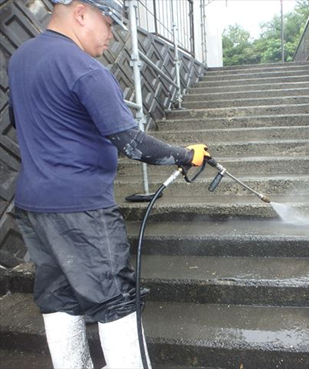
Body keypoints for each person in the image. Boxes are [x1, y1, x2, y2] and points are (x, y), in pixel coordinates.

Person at [7, 0, 209, 368]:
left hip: (33, 206)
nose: (113, 35)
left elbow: (23, 123)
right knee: (115, 300)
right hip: (80, 208)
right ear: (81, 13)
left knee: (58, 297)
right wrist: (186, 154)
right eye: (109, 22)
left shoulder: (21, 59)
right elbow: (133, 143)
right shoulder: (84, 68)